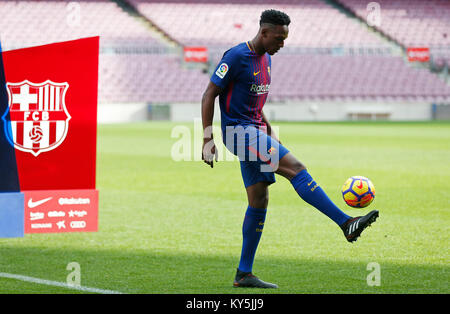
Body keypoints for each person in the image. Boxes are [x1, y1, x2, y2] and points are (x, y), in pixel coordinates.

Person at [201, 9, 378, 289]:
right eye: (279, 38)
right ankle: (346, 223)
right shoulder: (235, 56)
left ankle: (243, 274)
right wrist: (207, 138)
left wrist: (271, 135)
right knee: (296, 168)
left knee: (259, 199)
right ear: (264, 33)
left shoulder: (267, 59)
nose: (282, 44)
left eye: (285, 38)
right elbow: (210, 93)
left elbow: (256, 106)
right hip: (238, 133)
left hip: (256, 132)